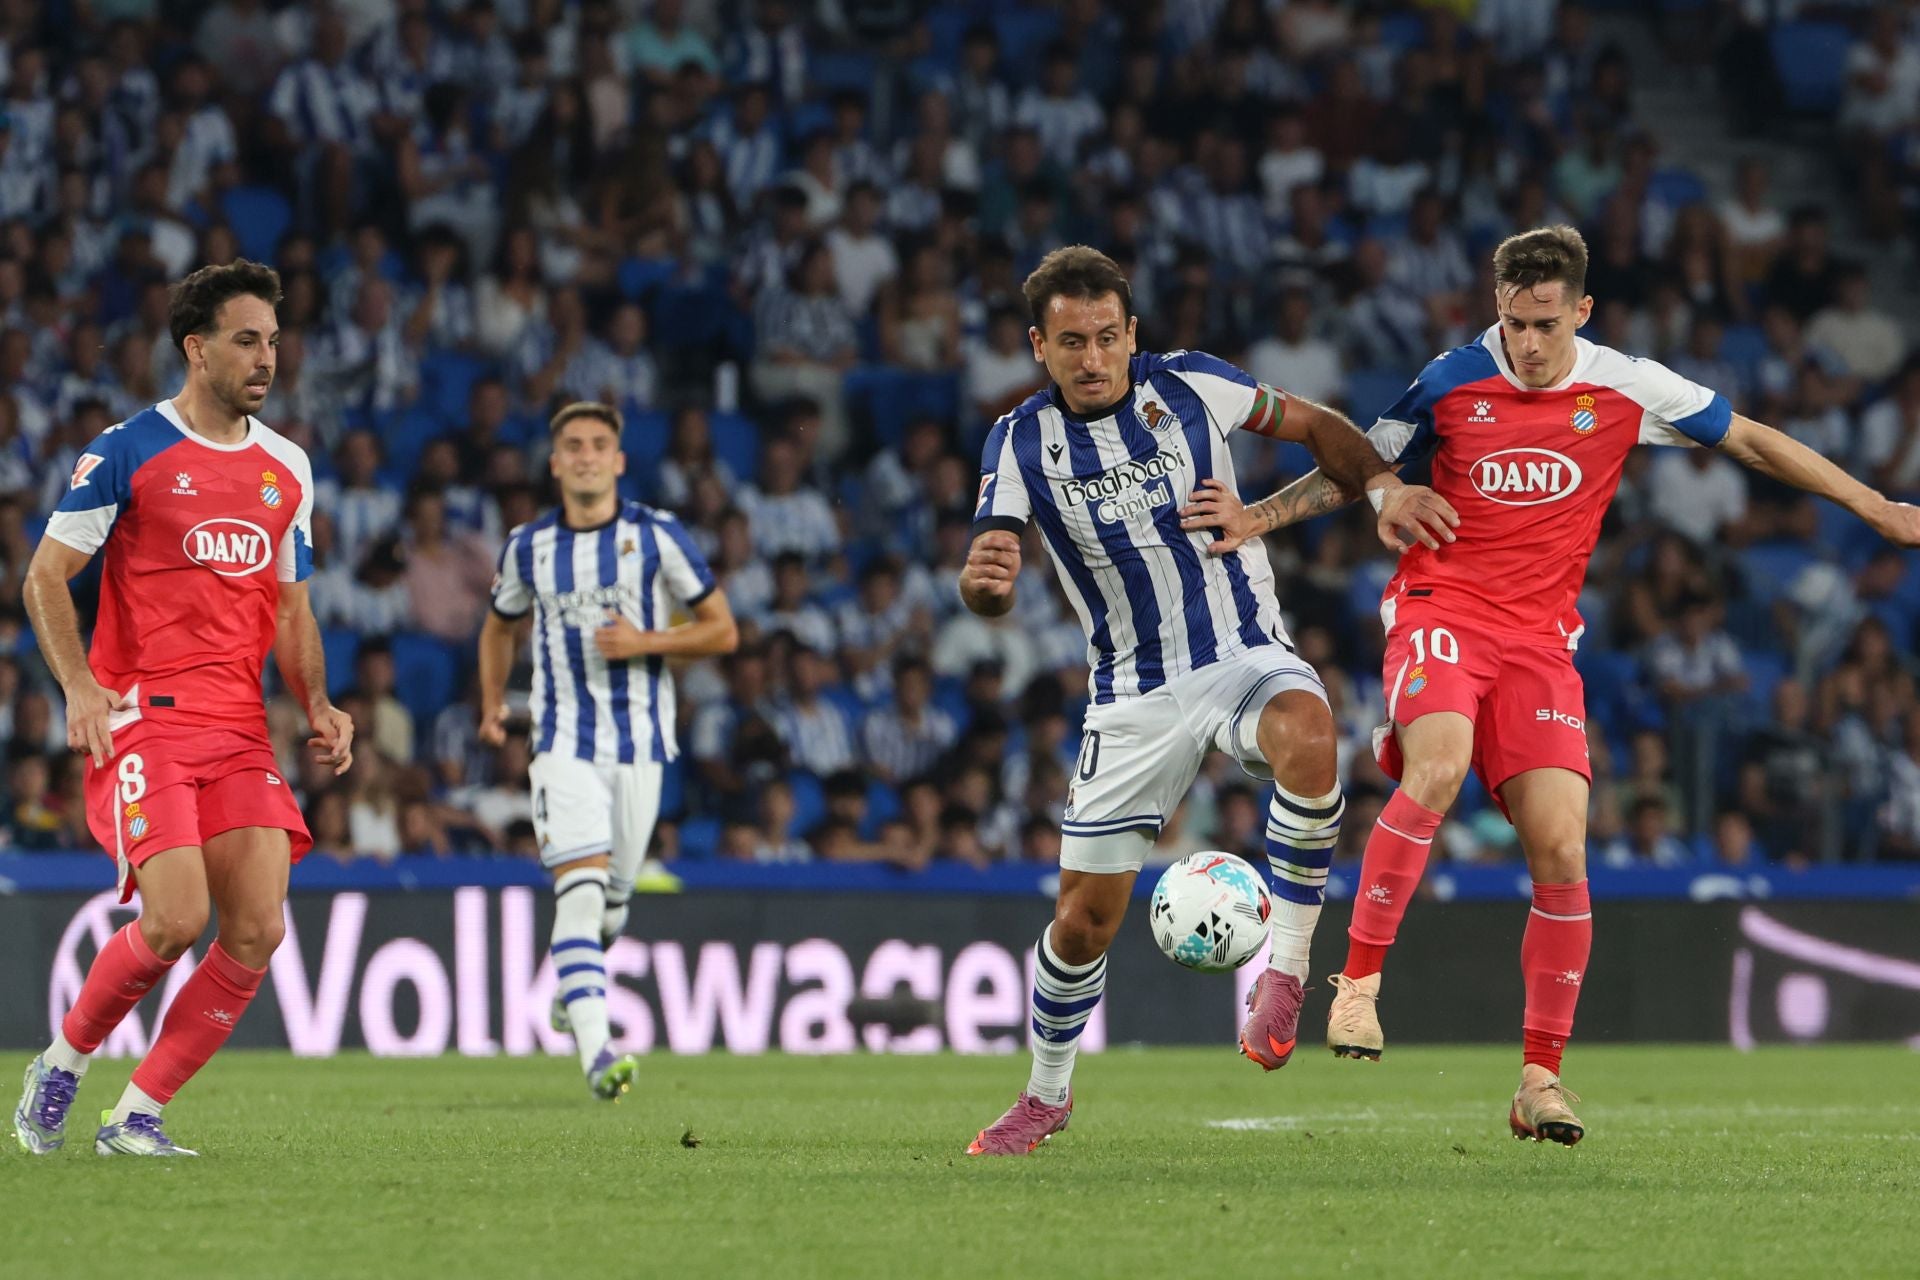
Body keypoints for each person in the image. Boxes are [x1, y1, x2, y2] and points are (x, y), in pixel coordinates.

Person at [1226, 225, 1920, 1145]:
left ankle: (1539, 1081)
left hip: (1541, 643)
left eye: (1545, 324)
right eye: (1512, 322)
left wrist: (1873, 505)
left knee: (1563, 849)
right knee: (1437, 766)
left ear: (1580, 311)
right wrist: (1260, 515)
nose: (1526, 342)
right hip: (1442, 607)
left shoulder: (1626, 384)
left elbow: (1750, 440)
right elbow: (1360, 467)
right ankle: (1357, 987)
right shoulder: (1450, 379)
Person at [961, 246, 1456, 1156]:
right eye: (1072, 342)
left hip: (1239, 652)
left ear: (1132, 333)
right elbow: (991, 566)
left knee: (1311, 734)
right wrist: (984, 585)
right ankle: (1045, 1095)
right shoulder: (1019, 442)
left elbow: (1318, 427)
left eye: (1109, 336)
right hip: (1130, 696)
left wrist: (1381, 485)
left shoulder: (1193, 386)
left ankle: (1288, 972)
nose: (1094, 357)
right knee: (1080, 923)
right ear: (1040, 346)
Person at [13, 260, 354, 1158]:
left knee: (258, 927)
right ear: (195, 347)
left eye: (275, 342)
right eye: (247, 340)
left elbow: (292, 608)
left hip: (241, 726)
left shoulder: (289, 468)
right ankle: (61, 1062)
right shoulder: (127, 450)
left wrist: (317, 700)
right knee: (172, 919)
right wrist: (80, 687)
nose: (266, 359)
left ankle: (139, 1114)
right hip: (145, 717)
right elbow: (45, 577)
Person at [477, 401, 738, 1100]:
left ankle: (576, 981)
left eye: (599, 445)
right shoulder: (528, 546)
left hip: (642, 745)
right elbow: (498, 625)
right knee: (581, 891)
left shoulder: (658, 537)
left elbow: (722, 632)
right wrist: (493, 700)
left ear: (619, 461)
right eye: (573, 445)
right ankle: (599, 1053)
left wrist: (647, 642)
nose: (587, 455)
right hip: (561, 741)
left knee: (612, 907)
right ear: (555, 462)